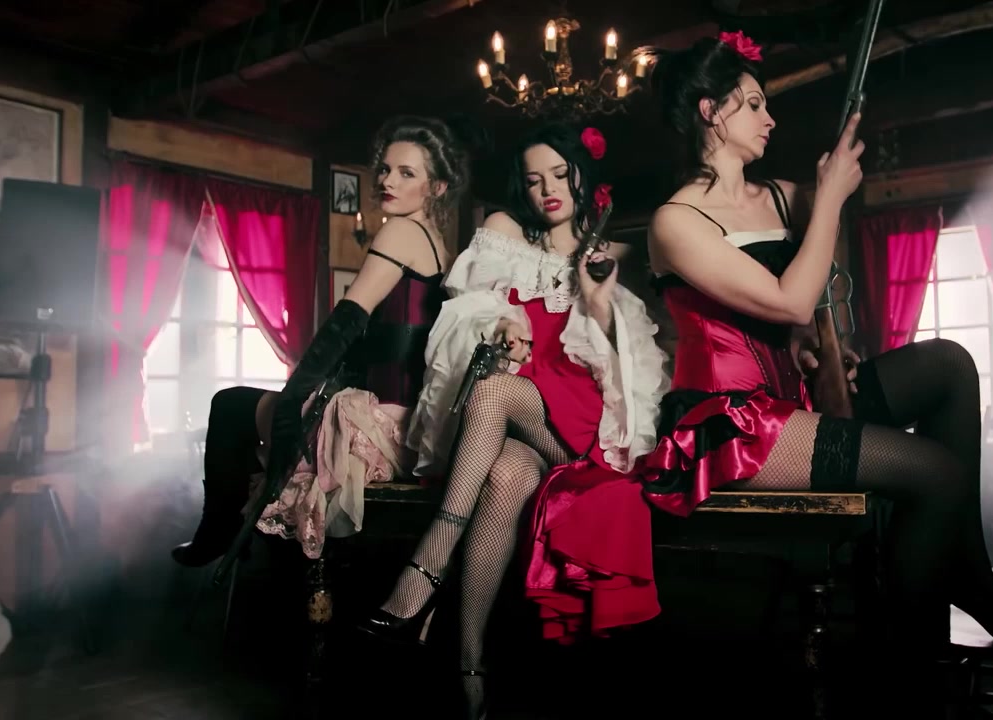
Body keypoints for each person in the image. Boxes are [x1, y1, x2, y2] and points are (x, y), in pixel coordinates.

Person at [641, 31, 993, 709]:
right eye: (754, 104)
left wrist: (815, 347)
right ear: (710, 111)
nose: (771, 118)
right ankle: (915, 676)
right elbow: (789, 298)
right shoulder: (675, 221)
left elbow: (804, 312)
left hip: (794, 401)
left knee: (949, 365)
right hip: (731, 425)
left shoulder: (781, 198)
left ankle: (963, 572)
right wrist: (830, 200)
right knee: (936, 473)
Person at [356, 122, 669, 719]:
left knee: (496, 389)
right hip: (517, 418)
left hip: (580, 426)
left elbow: (635, 368)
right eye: (533, 180)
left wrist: (596, 301)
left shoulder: (611, 255)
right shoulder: (502, 234)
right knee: (504, 476)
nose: (547, 190)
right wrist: (498, 324)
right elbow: (462, 313)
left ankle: (427, 566)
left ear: (584, 177)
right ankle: (470, 670)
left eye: (560, 175)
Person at [170, 115, 470, 567]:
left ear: (438, 187)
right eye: (385, 169)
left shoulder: (400, 231)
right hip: (411, 429)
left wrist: (295, 392)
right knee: (249, 417)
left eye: (407, 173)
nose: (387, 181)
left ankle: (219, 534)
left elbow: (346, 321)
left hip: (375, 424)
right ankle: (236, 534)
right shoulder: (441, 246)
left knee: (228, 405)